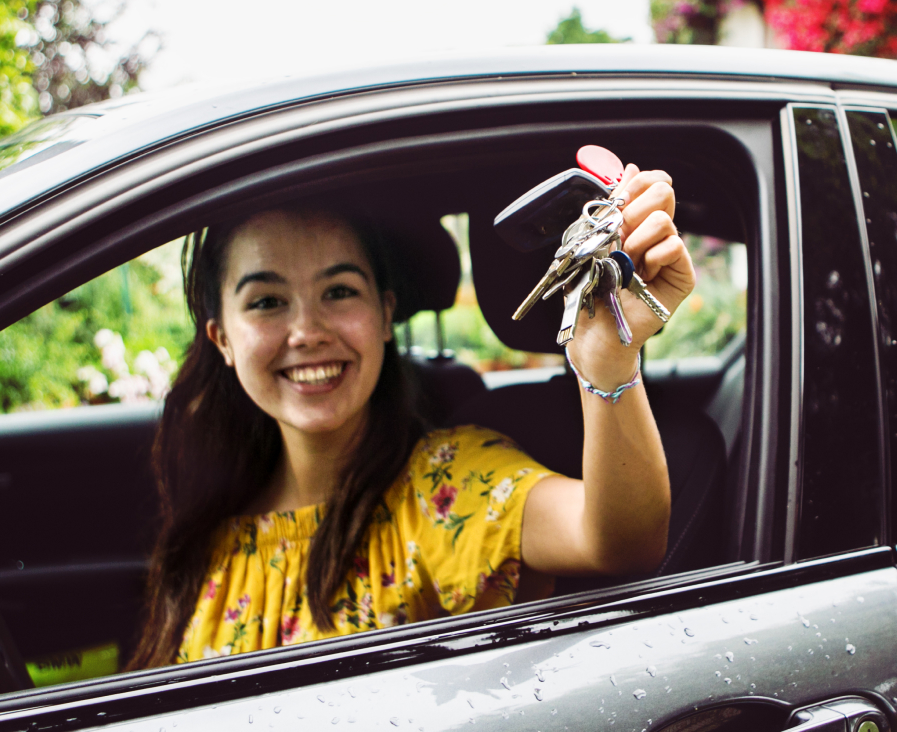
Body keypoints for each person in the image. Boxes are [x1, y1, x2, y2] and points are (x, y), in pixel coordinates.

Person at [128, 164, 695, 670]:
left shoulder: (442, 486)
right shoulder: (206, 523)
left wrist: (606, 357)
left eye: (339, 291)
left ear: (384, 315)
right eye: (267, 302)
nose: (307, 333)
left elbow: (620, 540)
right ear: (222, 338)